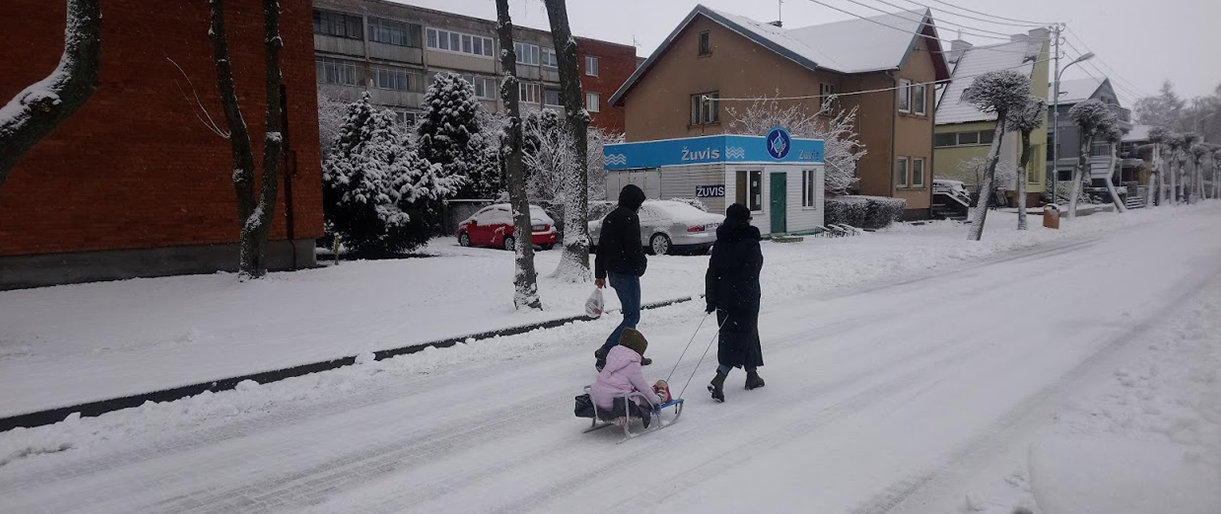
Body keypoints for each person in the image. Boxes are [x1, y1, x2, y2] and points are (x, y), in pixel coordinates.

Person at [704, 203, 765, 402]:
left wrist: (711, 299)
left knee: (738, 334)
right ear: (745, 220)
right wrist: (743, 300)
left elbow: (712, 272)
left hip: (723, 298)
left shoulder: (721, 242)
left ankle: (752, 374)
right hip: (745, 299)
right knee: (738, 337)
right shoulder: (750, 243)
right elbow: (752, 273)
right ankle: (720, 377)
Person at [593, 184, 649, 371]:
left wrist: (600, 274)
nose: (640, 207)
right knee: (632, 315)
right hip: (627, 273)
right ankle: (607, 350)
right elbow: (634, 246)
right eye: (639, 203)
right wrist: (642, 264)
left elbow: (601, 248)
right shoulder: (630, 217)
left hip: (614, 274)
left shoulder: (610, 217)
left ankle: (631, 355)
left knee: (630, 314)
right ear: (634, 202)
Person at [590, 327, 662, 427]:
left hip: (599, 400)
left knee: (622, 387)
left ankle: (655, 393)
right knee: (646, 399)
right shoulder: (632, 363)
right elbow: (643, 387)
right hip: (616, 405)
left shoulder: (612, 355)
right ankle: (661, 396)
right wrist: (655, 402)